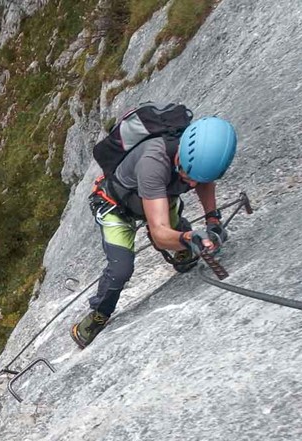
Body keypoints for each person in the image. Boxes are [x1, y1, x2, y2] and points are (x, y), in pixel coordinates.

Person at [71, 115, 238, 348]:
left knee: (172, 228)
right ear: (180, 156)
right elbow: (160, 234)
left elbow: (203, 180)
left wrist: (213, 219)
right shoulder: (153, 162)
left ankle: (182, 248)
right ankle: (99, 314)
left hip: (159, 194)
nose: (190, 184)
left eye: (195, 179)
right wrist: (188, 239)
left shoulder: (197, 158)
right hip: (116, 206)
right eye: (186, 175)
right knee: (120, 269)